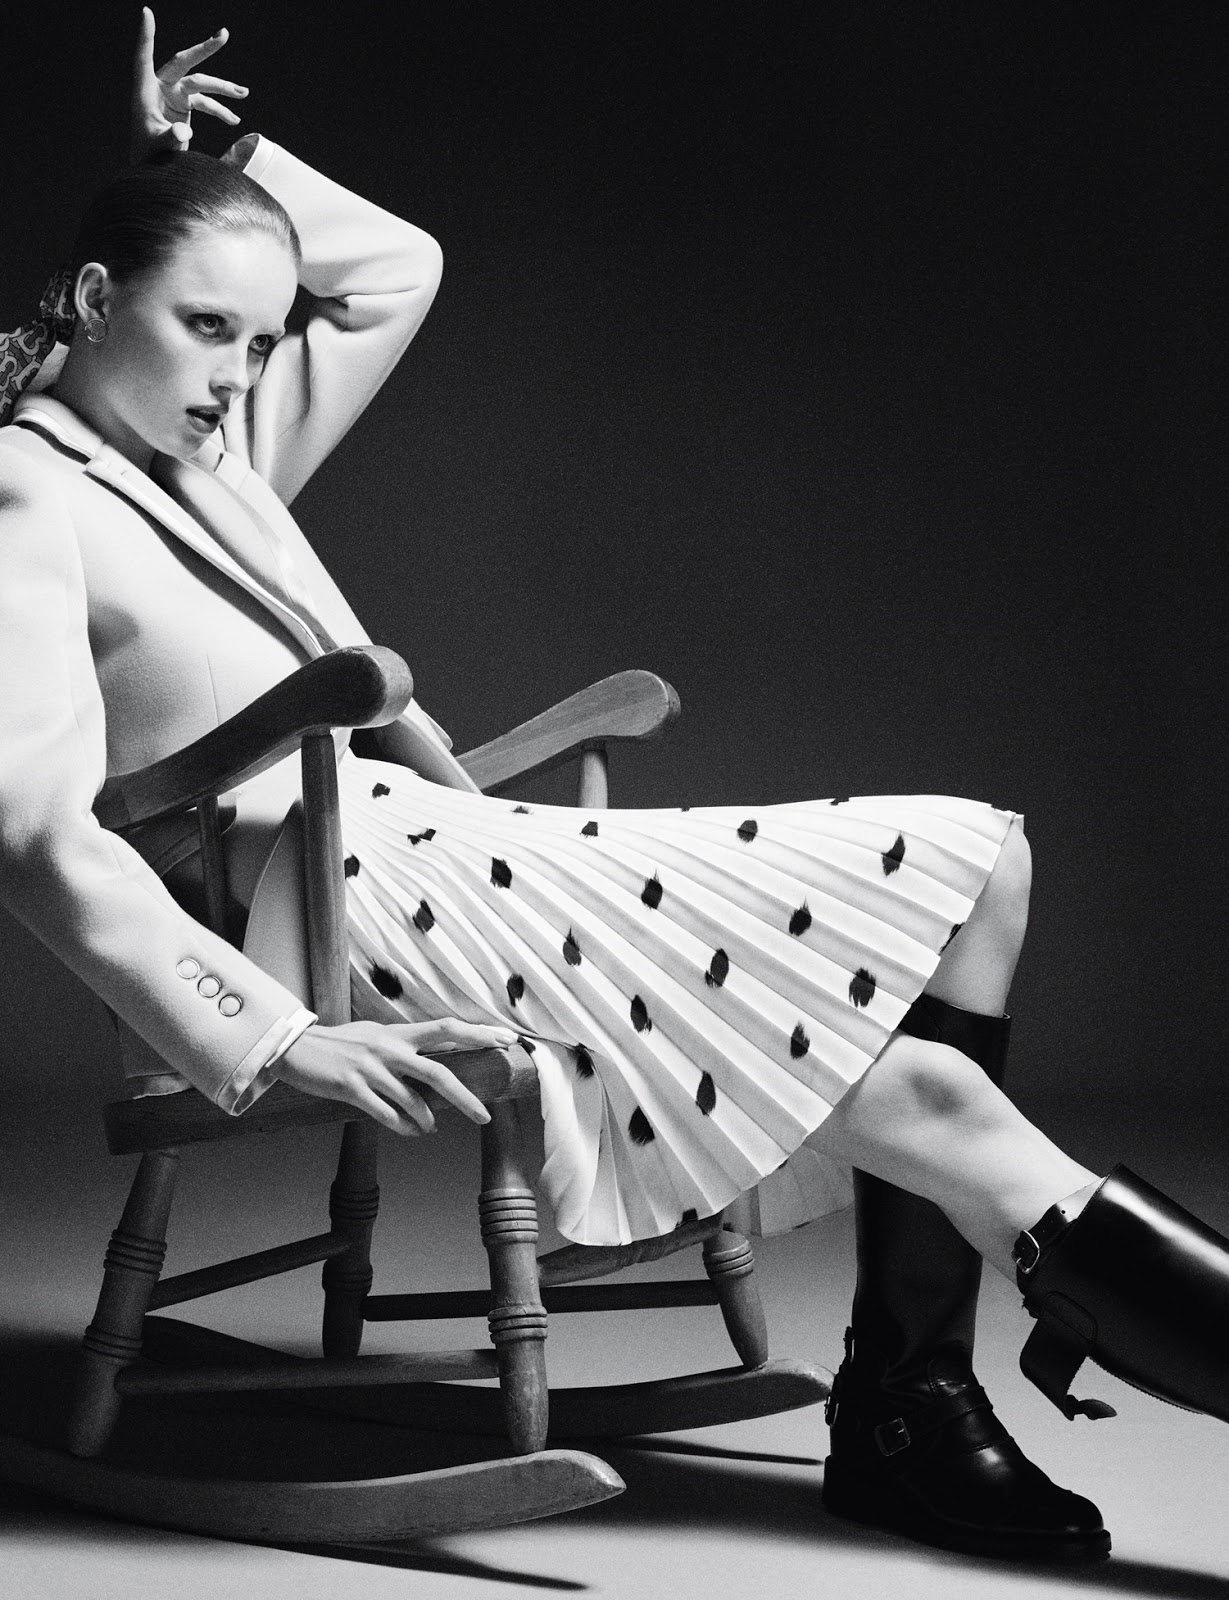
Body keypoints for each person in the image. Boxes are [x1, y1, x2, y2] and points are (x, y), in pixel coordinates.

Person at [0, 10, 1223, 1566]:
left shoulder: (207, 455)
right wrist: (275, 1036)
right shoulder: (27, 494)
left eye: (256, 337)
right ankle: (917, 1415)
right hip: (341, 903)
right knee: (925, 1096)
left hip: (451, 844)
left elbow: (393, 270)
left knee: (982, 860)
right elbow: (34, 828)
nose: (242, 374)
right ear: (94, 298)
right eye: (205, 327)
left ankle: (902, 1400)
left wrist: (198, 170)